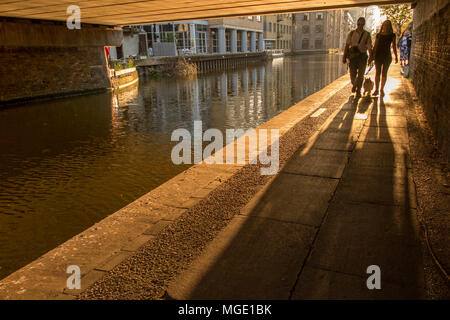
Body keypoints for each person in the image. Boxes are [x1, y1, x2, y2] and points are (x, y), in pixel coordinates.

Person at [343, 17, 373, 98]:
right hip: (353, 57)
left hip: (363, 56)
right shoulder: (351, 33)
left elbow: (369, 47)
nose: (360, 26)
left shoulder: (367, 34)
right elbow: (347, 45)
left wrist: (371, 57)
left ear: (364, 24)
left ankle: (358, 90)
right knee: (352, 74)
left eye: (362, 24)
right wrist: (344, 57)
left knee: (361, 75)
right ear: (357, 24)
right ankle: (354, 84)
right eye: (358, 24)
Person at [369, 20, 398, 97]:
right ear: (383, 26)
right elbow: (375, 46)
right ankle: (376, 89)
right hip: (378, 56)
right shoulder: (379, 35)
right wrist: (372, 56)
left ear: (389, 26)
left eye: (387, 25)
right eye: (385, 25)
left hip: (387, 56)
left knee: (384, 73)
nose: (386, 26)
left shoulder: (392, 35)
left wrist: (396, 57)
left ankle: (382, 89)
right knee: (377, 73)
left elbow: (394, 46)